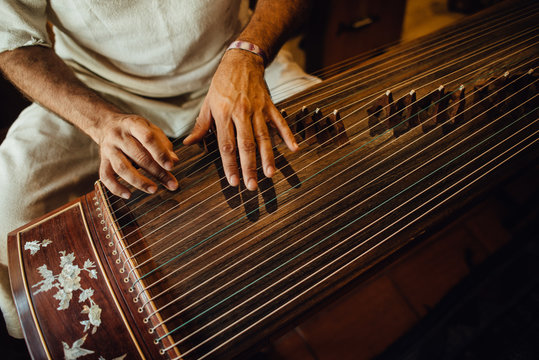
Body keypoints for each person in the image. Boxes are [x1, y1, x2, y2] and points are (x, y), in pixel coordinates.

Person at [0, 0, 318, 339]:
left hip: (232, 61)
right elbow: (13, 41)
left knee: (321, 155)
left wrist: (249, 52)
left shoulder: (242, 56)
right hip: (94, 89)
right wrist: (101, 122)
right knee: (10, 205)